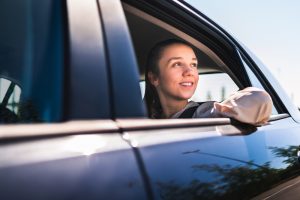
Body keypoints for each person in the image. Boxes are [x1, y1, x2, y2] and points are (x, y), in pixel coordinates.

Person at [144, 39, 272, 125]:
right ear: (154, 78)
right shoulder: (147, 118)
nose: (189, 71)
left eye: (193, 64)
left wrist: (227, 106)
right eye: (177, 64)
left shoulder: (203, 114)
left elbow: (260, 98)